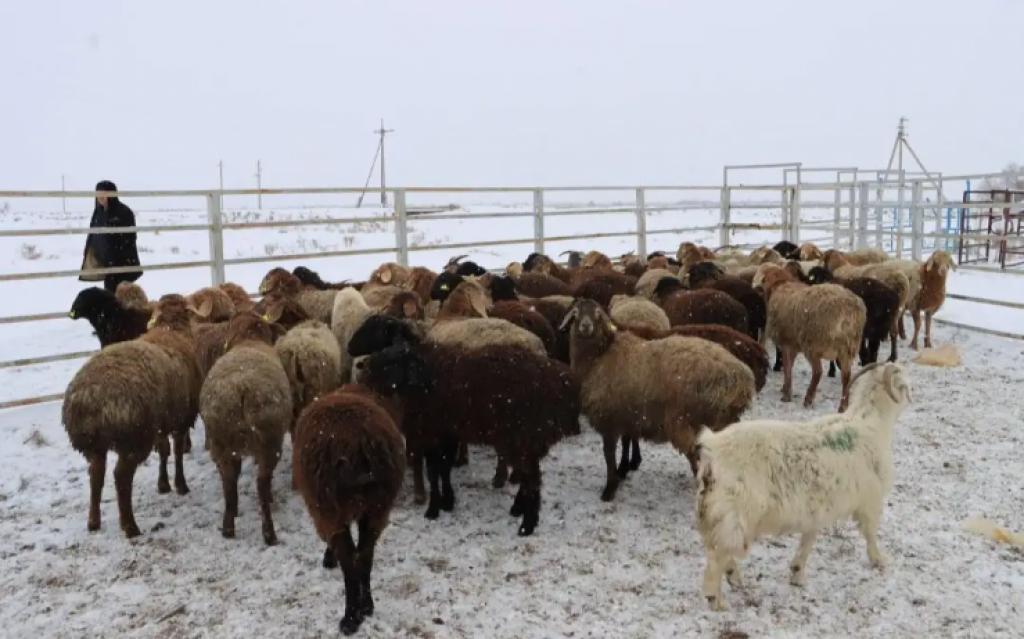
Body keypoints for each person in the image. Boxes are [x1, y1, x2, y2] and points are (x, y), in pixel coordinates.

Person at [79, 180, 142, 291]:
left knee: (123, 294)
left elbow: (130, 238)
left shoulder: (124, 212)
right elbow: (93, 233)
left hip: (123, 264)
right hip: (107, 263)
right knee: (110, 293)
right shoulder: (98, 212)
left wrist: (118, 256)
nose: (100, 197)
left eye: (104, 194)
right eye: (98, 194)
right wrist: (89, 252)